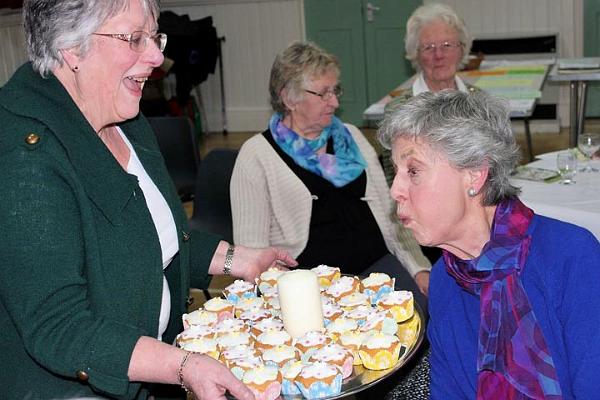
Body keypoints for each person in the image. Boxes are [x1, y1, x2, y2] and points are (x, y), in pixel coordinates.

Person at [0, 1, 296, 399]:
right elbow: (60, 327)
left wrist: (239, 259)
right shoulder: (24, 155)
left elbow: (150, 238)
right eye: (134, 38)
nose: (157, 56)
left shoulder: (124, 119)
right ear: (71, 48)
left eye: (155, 37)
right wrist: (182, 366)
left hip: (150, 374)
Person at [378, 89, 600, 399]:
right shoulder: (444, 280)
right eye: (396, 171)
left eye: (413, 171)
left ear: (475, 175)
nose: (395, 190)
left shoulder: (571, 257)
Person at [230, 41, 431, 308]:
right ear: (289, 98)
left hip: (379, 271)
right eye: (323, 93)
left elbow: (393, 215)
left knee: (426, 326)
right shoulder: (256, 156)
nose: (334, 102)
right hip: (312, 287)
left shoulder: (352, 137)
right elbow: (251, 252)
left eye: (335, 90)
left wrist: (418, 268)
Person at [381, 2, 477, 187]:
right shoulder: (398, 112)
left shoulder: (480, 102)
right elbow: (397, 182)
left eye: (447, 45)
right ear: (415, 54)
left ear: (462, 49)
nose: (439, 54)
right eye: (429, 47)